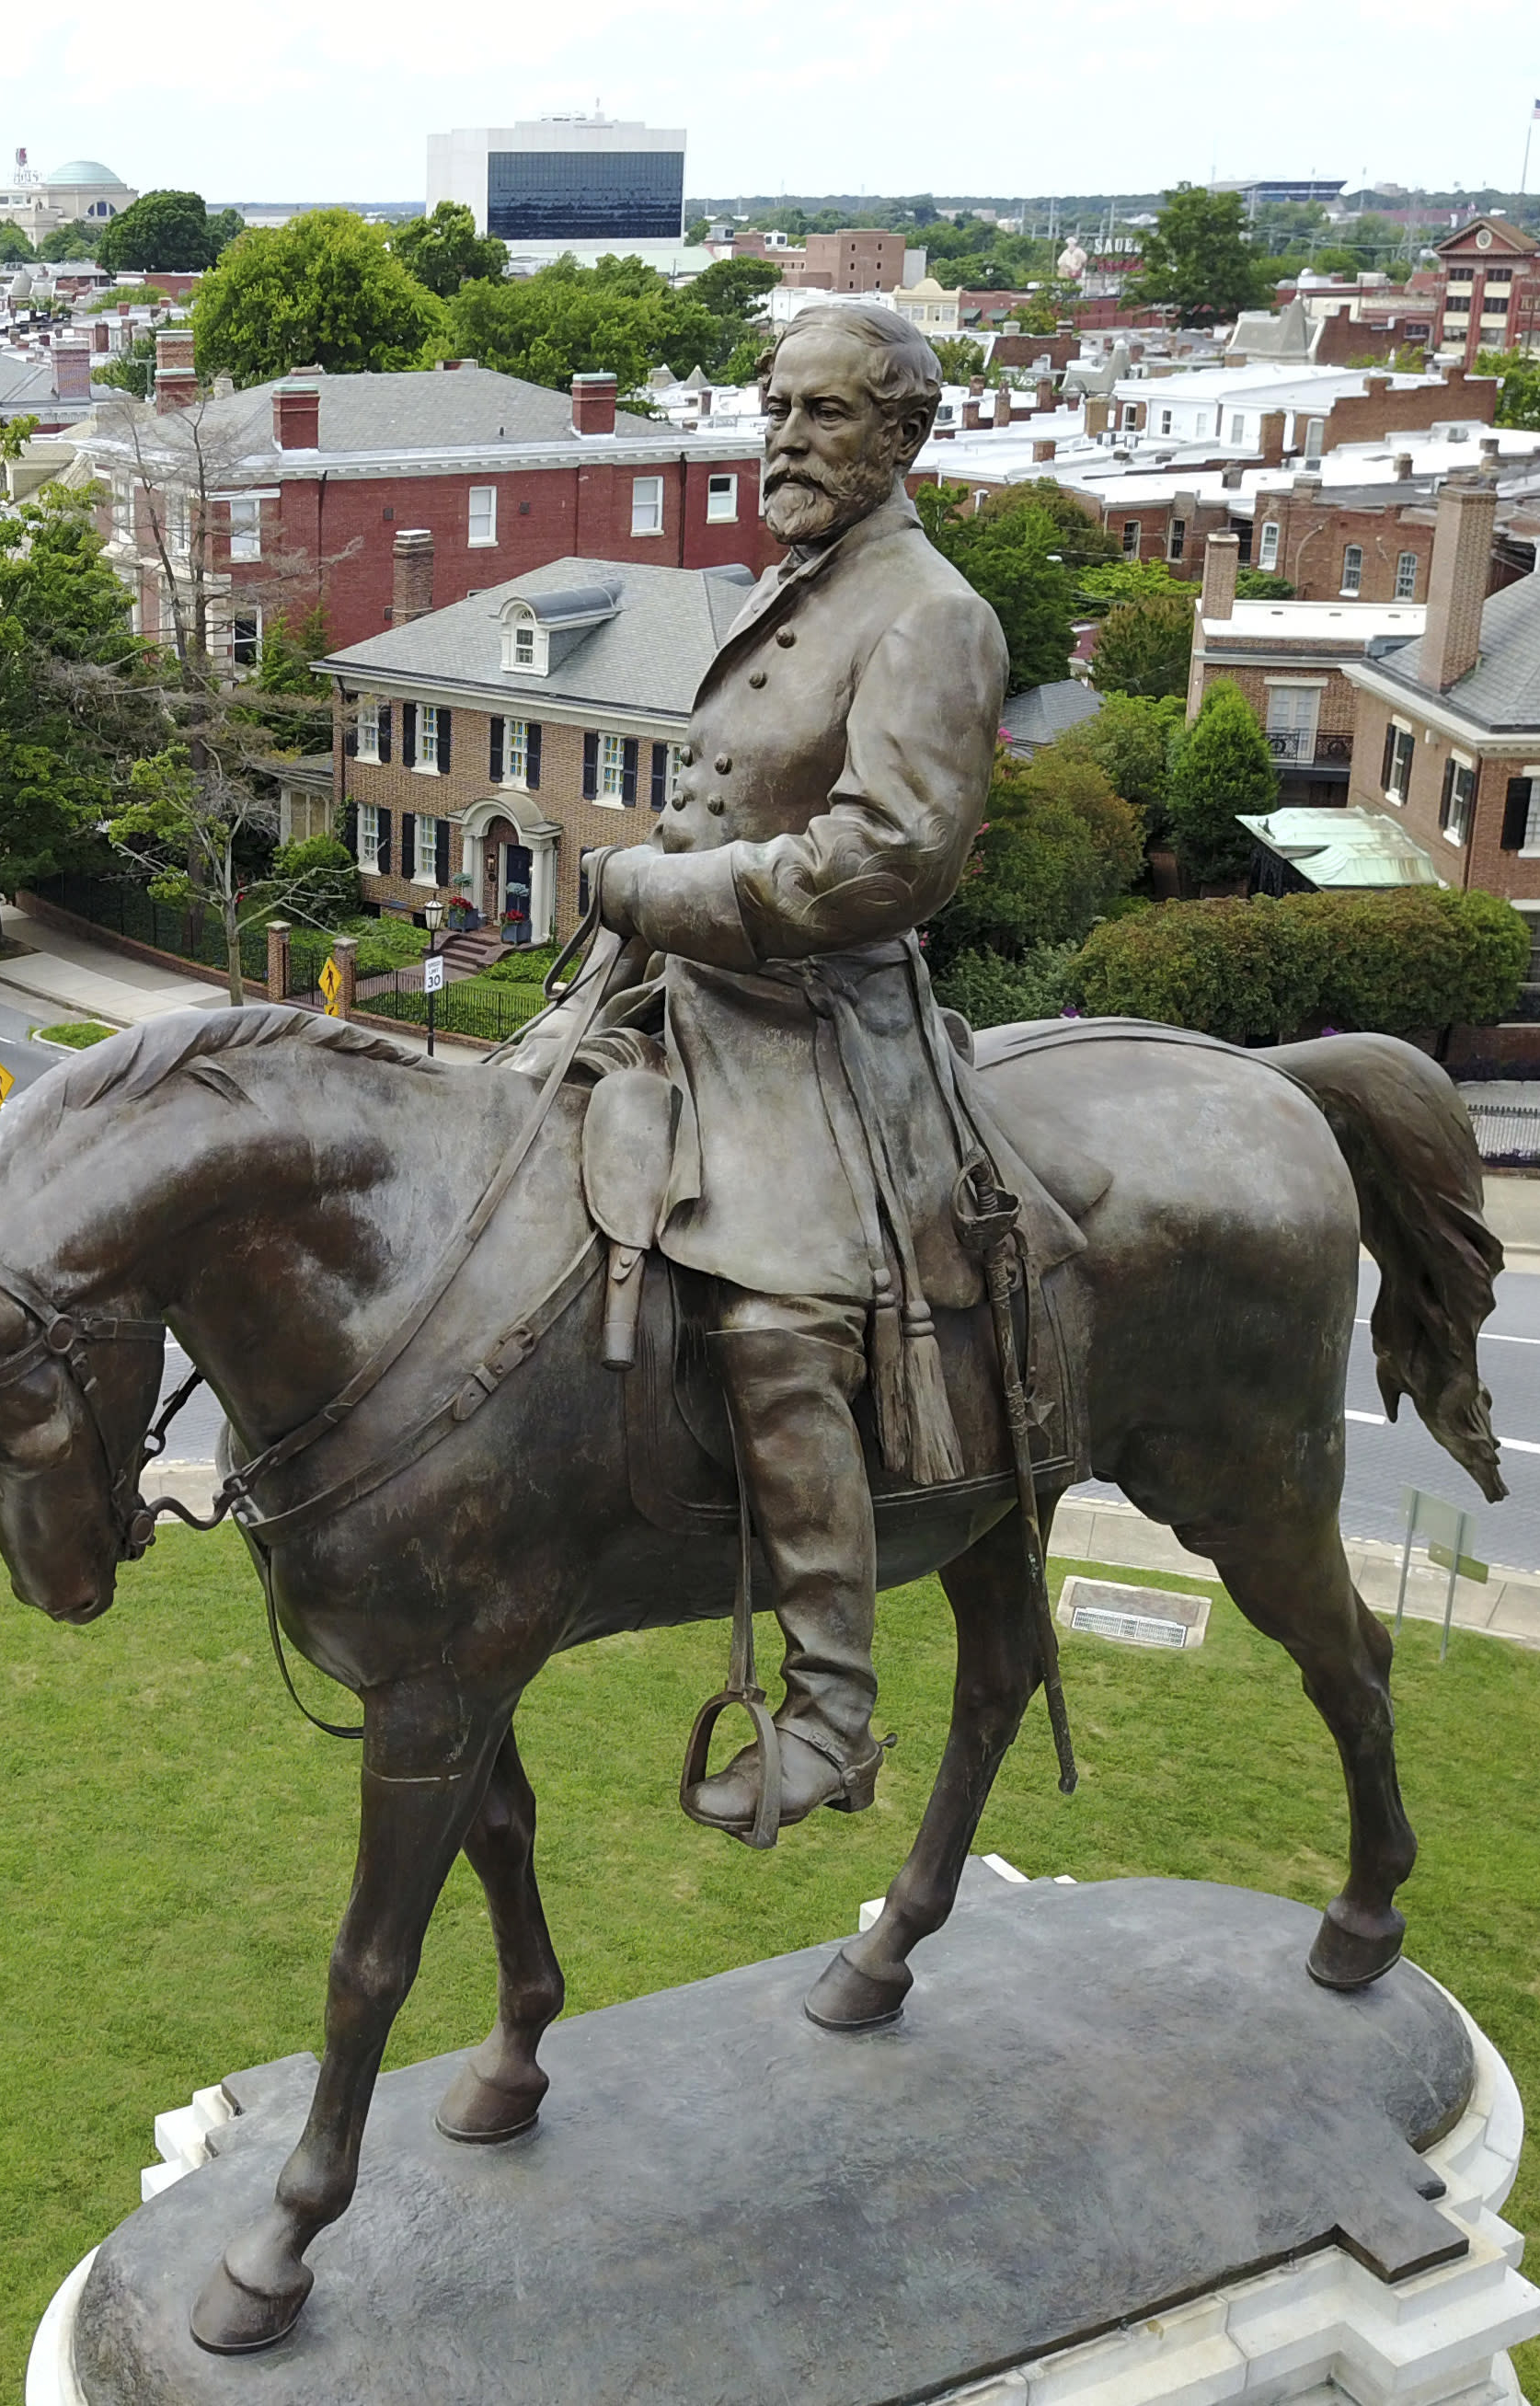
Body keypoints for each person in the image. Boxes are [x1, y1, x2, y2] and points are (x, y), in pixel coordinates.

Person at [584, 302, 1007, 1839]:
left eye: (823, 415)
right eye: (773, 410)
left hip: (812, 1023)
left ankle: (829, 1712)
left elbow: (890, 855)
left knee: (774, 1329)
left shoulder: (927, 612)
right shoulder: (802, 584)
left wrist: (658, 890)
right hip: (671, 984)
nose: (782, 442)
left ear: (900, 438)